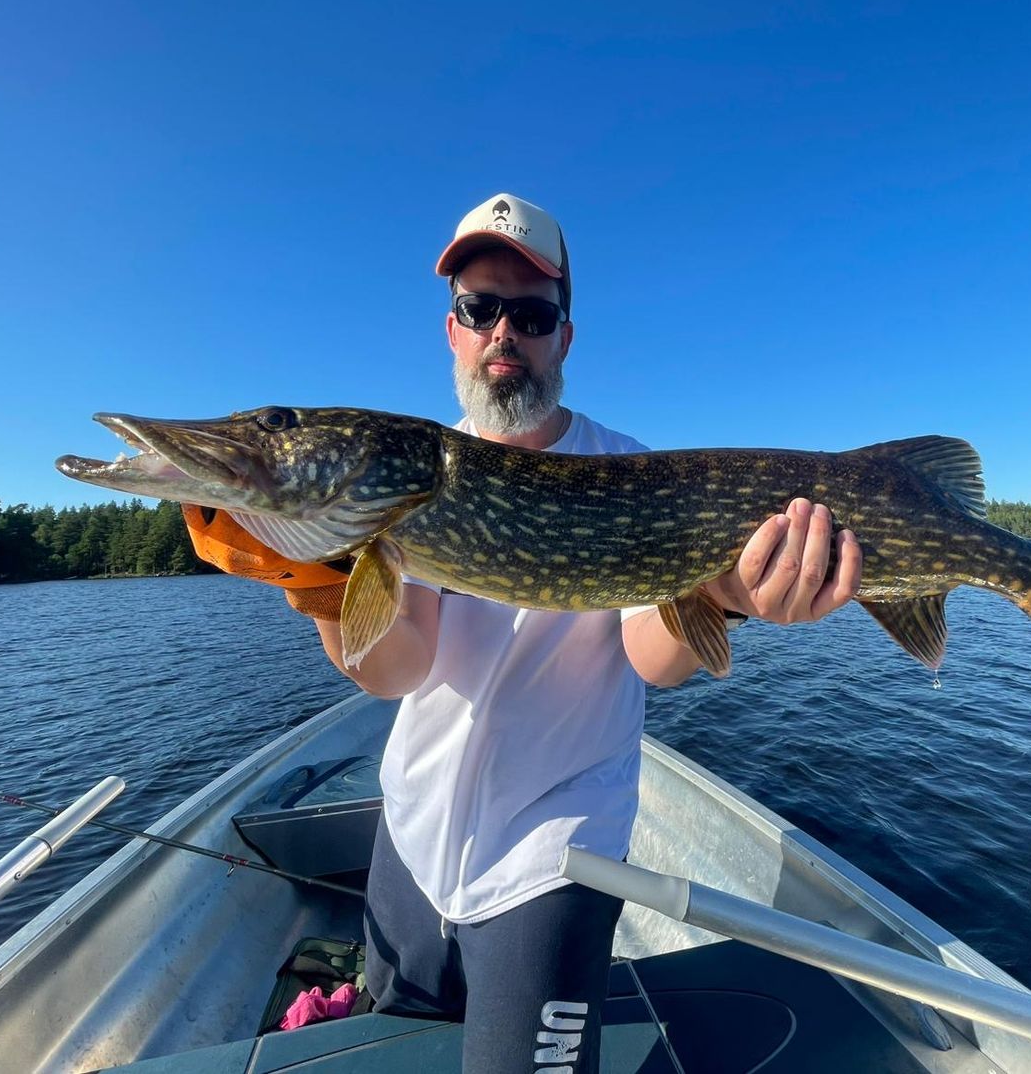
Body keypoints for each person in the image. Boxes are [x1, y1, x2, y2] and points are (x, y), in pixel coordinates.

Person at [186, 193, 862, 1073]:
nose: (504, 330)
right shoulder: (413, 473)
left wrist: (727, 596)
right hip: (412, 836)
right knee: (396, 1044)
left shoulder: (629, 469)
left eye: (532, 314)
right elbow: (397, 669)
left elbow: (650, 660)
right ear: (453, 331)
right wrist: (313, 581)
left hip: (557, 861)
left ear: (563, 338)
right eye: (480, 308)